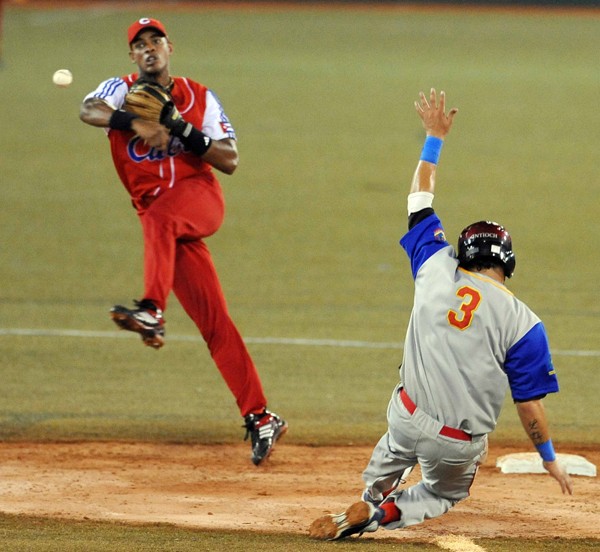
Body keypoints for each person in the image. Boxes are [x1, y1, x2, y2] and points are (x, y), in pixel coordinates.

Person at [309, 89, 573, 540]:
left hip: (405, 416)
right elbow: (529, 405)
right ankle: (381, 516)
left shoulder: (434, 266)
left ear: (463, 254)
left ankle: (371, 497)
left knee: (395, 447)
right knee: (442, 492)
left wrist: (434, 137)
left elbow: (419, 198)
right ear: (506, 262)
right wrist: (548, 455)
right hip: (455, 442)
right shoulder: (524, 324)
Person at [79, 17, 286, 466]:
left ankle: (152, 310)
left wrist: (180, 127)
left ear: (170, 47)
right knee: (214, 322)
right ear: (132, 57)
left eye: (156, 40)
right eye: (140, 44)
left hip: (198, 200)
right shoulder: (119, 88)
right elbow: (88, 111)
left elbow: (230, 159)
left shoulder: (199, 96)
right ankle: (261, 415)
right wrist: (133, 120)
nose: (149, 47)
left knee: (160, 217)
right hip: (164, 228)